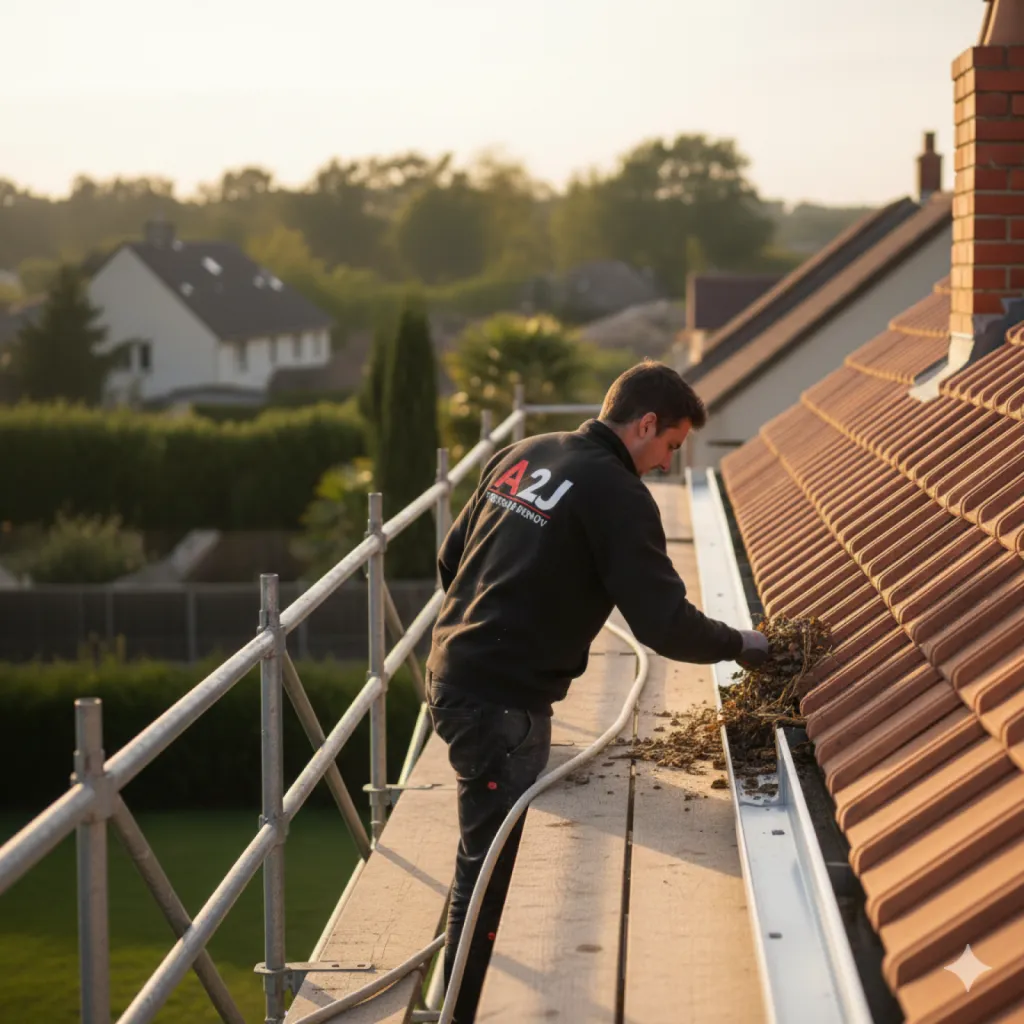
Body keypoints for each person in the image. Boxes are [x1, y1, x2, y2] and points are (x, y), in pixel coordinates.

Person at [425, 361, 771, 1022]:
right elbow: (663, 623)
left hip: (451, 673)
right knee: (489, 867)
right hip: (500, 706)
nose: (668, 466)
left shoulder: (525, 452)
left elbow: (452, 559)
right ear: (645, 425)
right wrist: (745, 645)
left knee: (485, 850)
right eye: (671, 446)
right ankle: (461, 1010)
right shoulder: (615, 493)